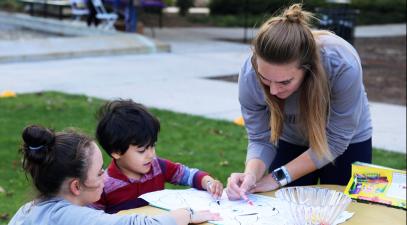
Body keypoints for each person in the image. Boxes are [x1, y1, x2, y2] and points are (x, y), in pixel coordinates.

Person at [226, 3, 372, 200]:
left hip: (346, 143)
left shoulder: (342, 64)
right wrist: (251, 175)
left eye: (285, 81)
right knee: (285, 212)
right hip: (291, 139)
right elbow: (261, 137)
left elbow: (336, 141)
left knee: (347, 211)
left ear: (308, 68)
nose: (273, 90)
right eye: (266, 79)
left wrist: (276, 178)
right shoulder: (249, 75)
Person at [9, 125, 221, 225]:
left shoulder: (27, 211)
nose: (105, 177)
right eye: (100, 172)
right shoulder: (70, 216)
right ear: (76, 186)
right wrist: (183, 216)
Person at [91, 99, 223, 213]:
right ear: (116, 152)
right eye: (142, 150)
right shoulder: (103, 186)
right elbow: (92, 219)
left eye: (152, 145)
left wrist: (208, 182)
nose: (151, 154)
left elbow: (187, 175)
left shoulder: (158, 167)